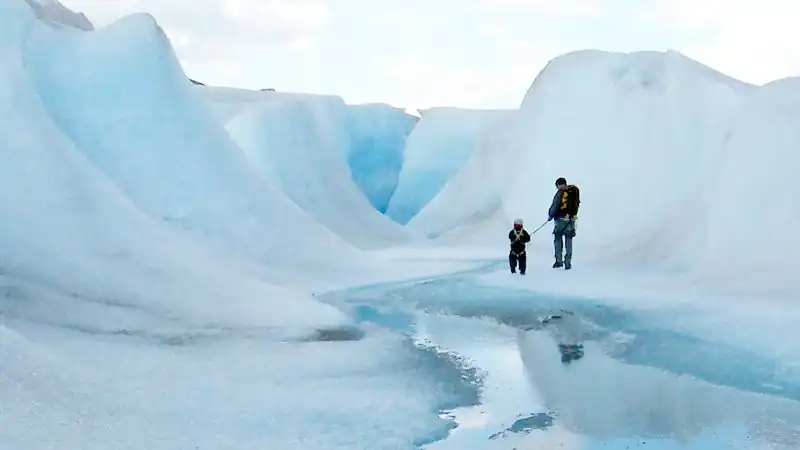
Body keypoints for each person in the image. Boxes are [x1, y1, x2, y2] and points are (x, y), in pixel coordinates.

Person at [548, 177, 579, 270]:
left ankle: (559, 261)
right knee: (568, 239)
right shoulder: (573, 192)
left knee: (557, 238)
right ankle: (568, 262)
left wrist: (550, 215)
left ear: (559, 185)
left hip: (560, 219)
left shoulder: (560, 193)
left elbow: (555, 205)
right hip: (571, 219)